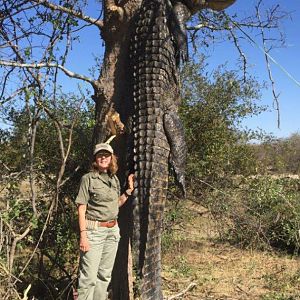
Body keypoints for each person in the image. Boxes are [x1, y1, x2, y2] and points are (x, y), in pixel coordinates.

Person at [75, 142, 134, 300]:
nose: (103, 158)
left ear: (111, 158)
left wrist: (128, 191)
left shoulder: (113, 179)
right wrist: (83, 236)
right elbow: (81, 208)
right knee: (88, 279)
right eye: (100, 155)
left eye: (106, 155)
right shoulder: (88, 179)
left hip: (112, 231)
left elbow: (115, 205)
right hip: (94, 232)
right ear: (95, 159)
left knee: (104, 277)